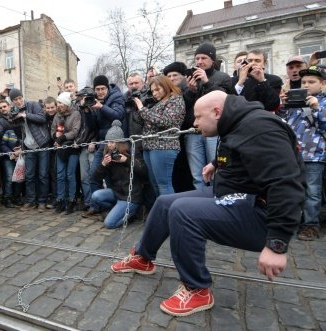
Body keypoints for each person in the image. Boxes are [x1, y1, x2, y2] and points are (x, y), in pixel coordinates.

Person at [110, 90, 306, 317]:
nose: (194, 123)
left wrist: (277, 244)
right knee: (164, 202)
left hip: (263, 214)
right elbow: (239, 149)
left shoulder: (260, 127)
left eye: (198, 117)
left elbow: (286, 183)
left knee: (183, 212)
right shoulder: (238, 122)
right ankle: (143, 258)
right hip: (234, 195)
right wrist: (215, 163)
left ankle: (197, 288)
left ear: (216, 112)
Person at [278, 66, 326, 240]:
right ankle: (292, 222)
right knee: (292, 189)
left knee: (312, 192)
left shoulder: (323, 102)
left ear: (322, 84)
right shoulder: (295, 100)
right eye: (304, 82)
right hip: (293, 154)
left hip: (315, 154)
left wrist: (315, 108)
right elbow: (283, 123)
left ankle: (310, 225)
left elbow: (324, 126)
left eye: (311, 82)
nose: (306, 85)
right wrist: (283, 106)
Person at [184, 43, 232, 189]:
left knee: (217, 170)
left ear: (212, 60)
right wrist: (190, 91)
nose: (199, 61)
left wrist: (206, 82)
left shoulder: (223, 77)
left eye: (203, 58)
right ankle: (201, 204)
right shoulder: (190, 80)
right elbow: (185, 107)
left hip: (214, 132)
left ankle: (216, 202)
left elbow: (225, 100)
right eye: (197, 58)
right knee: (198, 175)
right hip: (194, 132)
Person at [83, 120, 148, 228]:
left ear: (119, 142)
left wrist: (127, 161)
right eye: (108, 142)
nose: (109, 145)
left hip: (131, 196)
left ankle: (130, 215)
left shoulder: (132, 151)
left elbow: (144, 172)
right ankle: (117, 210)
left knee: (109, 224)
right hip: (117, 193)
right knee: (95, 196)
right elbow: (95, 178)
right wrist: (103, 164)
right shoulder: (109, 154)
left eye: (112, 142)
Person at [136, 75, 185, 196]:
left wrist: (142, 110)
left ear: (166, 86)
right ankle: (162, 212)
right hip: (150, 146)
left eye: (157, 89)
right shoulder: (157, 103)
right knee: (155, 184)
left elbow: (166, 121)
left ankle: (170, 213)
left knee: (164, 184)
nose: (154, 93)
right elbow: (148, 122)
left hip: (164, 146)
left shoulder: (175, 99)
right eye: (152, 91)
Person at [9, 88, 51, 212]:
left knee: (43, 175)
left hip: (42, 144)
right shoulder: (15, 111)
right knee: (30, 175)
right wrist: (14, 119)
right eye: (15, 100)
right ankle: (30, 201)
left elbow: (42, 118)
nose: (18, 101)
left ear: (22, 97)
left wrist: (26, 115)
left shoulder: (33, 105)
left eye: (19, 98)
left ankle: (42, 202)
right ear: (12, 101)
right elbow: (17, 131)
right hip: (28, 146)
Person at [88, 75, 126, 195]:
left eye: (102, 88)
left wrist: (101, 107)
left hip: (115, 142)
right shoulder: (96, 101)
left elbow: (118, 115)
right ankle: (97, 205)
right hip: (102, 141)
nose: (100, 92)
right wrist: (87, 111)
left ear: (108, 88)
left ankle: (112, 205)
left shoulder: (117, 97)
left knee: (111, 176)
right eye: (97, 89)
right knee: (94, 173)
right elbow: (92, 125)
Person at [163, 62, 194, 193]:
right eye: (168, 76)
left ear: (183, 76)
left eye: (175, 75)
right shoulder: (167, 94)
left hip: (187, 133)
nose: (171, 78)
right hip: (174, 137)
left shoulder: (189, 90)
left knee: (187, 169)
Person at [51, 92, 81, 214]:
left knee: (70, 174)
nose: (58, 105)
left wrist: (62, 138)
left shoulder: (75, 114)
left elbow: (75, 131)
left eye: (60, 102)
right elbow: (53, 130)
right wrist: (55, 136)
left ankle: (71, 200)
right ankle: (60, 200)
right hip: (60, 149)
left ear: (66, 103)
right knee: (60, 175)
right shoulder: (57, 116)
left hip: (72, 148)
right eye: (57, 102)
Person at [74, 87, 99, 211]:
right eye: (80, 97)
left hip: (93, 145)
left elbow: (96, 127)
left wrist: (93, 141)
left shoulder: (96, 107)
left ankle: (97, 203)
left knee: (93, 176)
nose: (81, 100)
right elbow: (78, 129)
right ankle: (88, 202)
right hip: (82, 146)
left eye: (83, 97)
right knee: (84, 177)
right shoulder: (78, 109)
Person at [0, 99, 22, 208]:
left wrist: (20, 150)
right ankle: (7, 198)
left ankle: (16, 197)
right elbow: (0, 139)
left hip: (19, 153)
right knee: (9, 177)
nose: (3, 109)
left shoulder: (16, 117)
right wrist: (11, 153)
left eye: (4, 106)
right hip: (7, 154)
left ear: (9, 106)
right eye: (0, 108)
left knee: (18, 177)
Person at [43, 96, 58, 209]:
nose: (50, 110)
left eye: (52, 107)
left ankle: (56, 197)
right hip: (47, 148)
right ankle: (51, 195)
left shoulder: (59, 117)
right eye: (48, 108)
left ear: (56, 106)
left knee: (56, 174)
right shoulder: (43, 118)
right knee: (48, 172)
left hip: (58, 147)